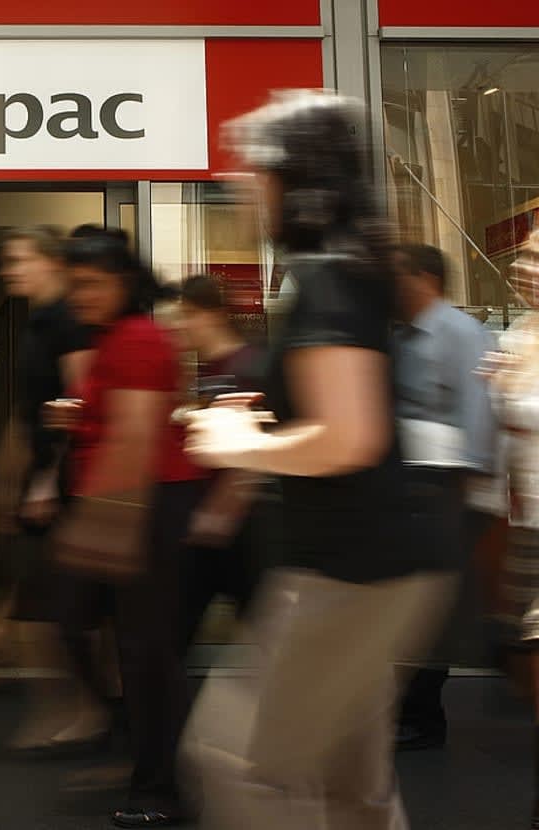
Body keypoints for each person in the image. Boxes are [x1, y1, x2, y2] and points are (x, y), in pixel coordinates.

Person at [180, 90, 455, 829]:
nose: (239, 181)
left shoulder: (329, 278)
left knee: (245, 766)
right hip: (375, 564)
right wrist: (268, 421)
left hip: (350, 570)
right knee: (348, 785)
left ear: (294, 179)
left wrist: (248, 445)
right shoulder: (349, 267)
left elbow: (348, 437)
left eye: (252, 168)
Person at [46, 232, 206, 827]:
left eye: (91, 283)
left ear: (124, 282)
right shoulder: (115, 338)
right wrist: (80, 415)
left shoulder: (138, 337)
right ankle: (139, 749)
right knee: (90, 630)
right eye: (74, 283)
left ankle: (159, 788)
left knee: (146, 653)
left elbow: (137, 437)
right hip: (129, 502)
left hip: (146, 505)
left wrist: (106, 525)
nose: (79, 294)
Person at [0, 225, 96, 752]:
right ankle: (75, 707)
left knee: (48, 607)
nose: (8, 269)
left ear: (51, 261)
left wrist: (49, 479)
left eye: (17, 259)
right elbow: (26, 416)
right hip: (44, 483)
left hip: (65, 484)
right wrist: (3, 482)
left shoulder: (69, 321)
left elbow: (82, 404)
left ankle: (79, 710)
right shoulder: (39, 323)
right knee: (44, 599)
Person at [391, 243, 499, 751]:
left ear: (423, 278)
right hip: (412, 485)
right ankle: (410, 709)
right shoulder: (402, 334)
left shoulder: (458, 331)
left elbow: (478, 411)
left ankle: (424, 716)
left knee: (431, 605)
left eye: (398, 275)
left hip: (445, 485)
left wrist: (470, 491)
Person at [173, 275, 268, 652]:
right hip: (212, 524)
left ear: (213, 315)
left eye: (187, 315)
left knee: (263, 633)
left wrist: (218, 513)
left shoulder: (248, 365)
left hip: (239, 527)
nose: (181, 325)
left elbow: (253, 452)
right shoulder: (206, 371)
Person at [485, 229, 539, 828]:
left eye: (536, 259)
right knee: (518, 657)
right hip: (527, 523)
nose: (525, 268)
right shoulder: (520, 332)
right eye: (524, 257)